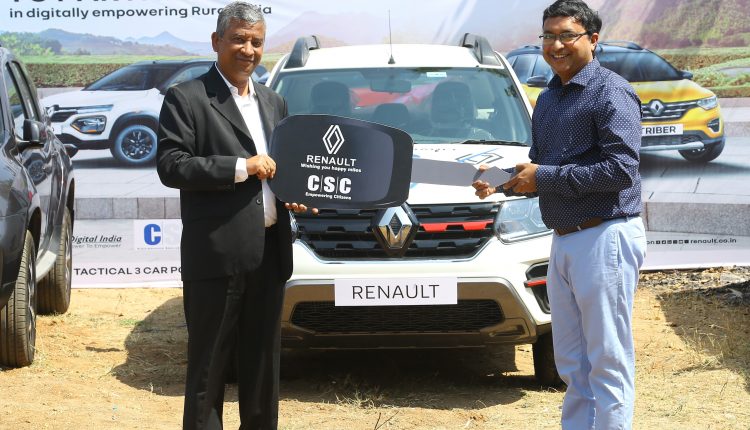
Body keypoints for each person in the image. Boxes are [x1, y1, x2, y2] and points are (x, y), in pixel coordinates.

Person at [473, 1, 646, 428]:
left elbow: (621, 170)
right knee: (571, 360)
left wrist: (543, 176)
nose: (556, 45)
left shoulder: (611, 91)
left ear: (592, 39)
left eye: (567, 35)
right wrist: (500, 182)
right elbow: (540, 168)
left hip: (605, 234)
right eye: (548, 36)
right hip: (564, 239)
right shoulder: (549, 98)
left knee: (607, 358)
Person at [157, 2, 312, 429]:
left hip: (269, 255)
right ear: (216, 41)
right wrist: (242, 166)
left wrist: (293, 196)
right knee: (209, 369)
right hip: (216, 257)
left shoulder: (274, 102)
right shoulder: (187, 98)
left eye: (256, 42)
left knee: (262, 368)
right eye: (239, 39)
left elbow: (280, 170)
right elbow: (172, 165)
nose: (248, 50)